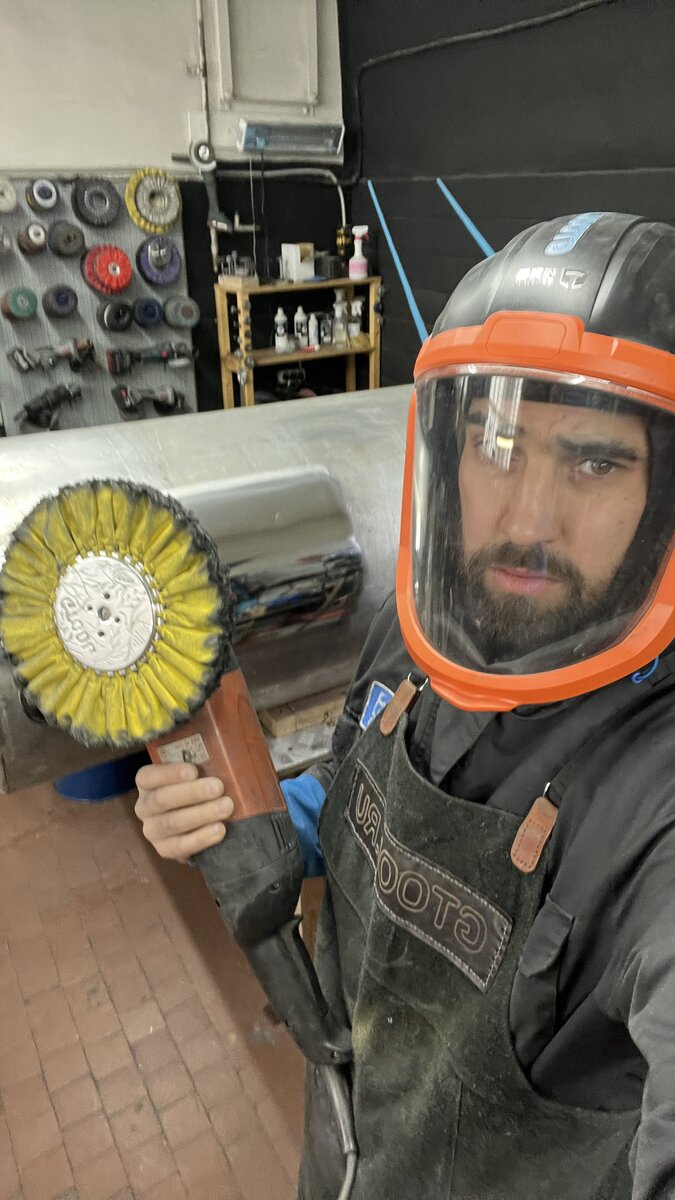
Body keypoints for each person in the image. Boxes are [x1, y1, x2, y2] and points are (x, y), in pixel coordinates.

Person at [135, 212, 675, 1200]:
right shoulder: (420, 626)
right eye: (497, 443)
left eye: (595, 461)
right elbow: (355, 794)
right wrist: (252, 816)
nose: (526, 519)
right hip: (347, 1143)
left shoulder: (657, 798)